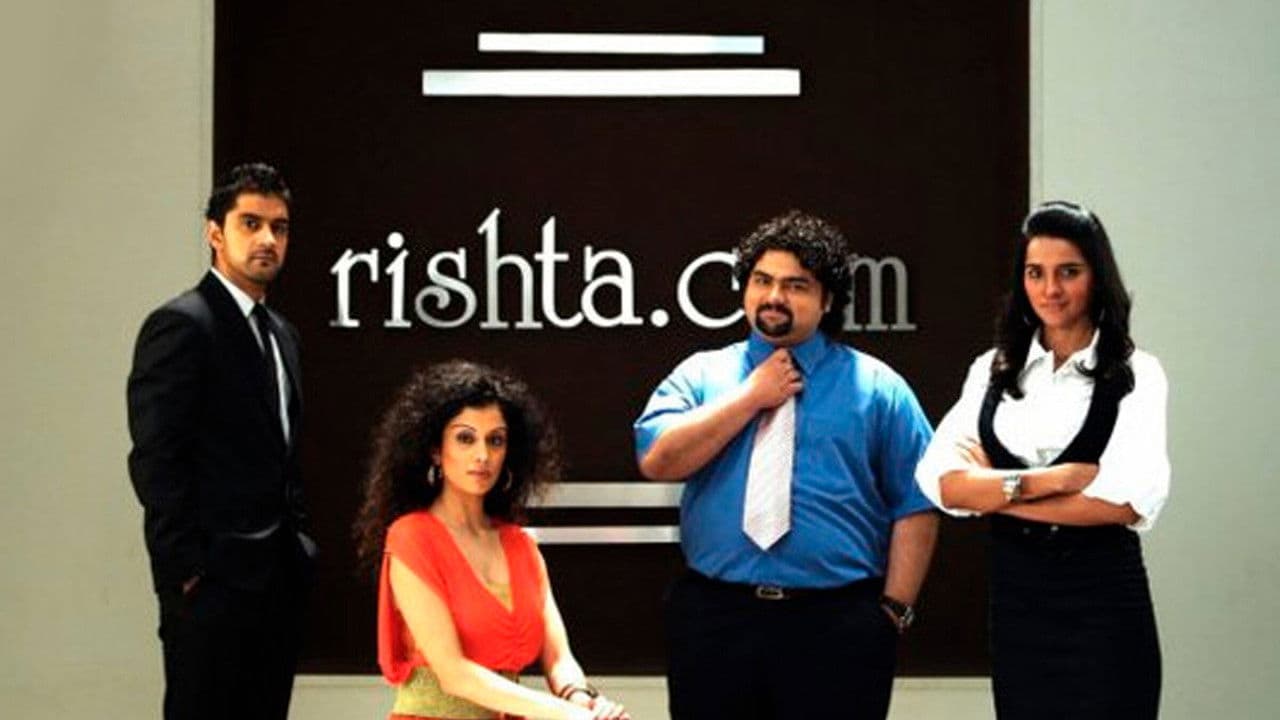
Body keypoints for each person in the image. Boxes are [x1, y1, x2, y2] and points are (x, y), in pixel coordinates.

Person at [634, 210, 939, 720]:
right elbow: (658, 459)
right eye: (762, 281)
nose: (774, 296)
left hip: (838, 625)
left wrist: (892, 611)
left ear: (827, 300)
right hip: (716, 619)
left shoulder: (878, 388)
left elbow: (917, 502)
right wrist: (750, 397)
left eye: (796, 285)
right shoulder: (702, 375)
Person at [914, 200, 1169, 718]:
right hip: (1018, 606)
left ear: (1097, 276)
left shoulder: (1136, 373)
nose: (1050, 289)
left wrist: (994, 492)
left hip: (1104, 608)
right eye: (1036, 273)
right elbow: (940, 482)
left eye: (1068, 272)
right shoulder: (992, 369)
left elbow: (1123, 502)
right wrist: (1050, 481)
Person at [127, 162, 316, 720]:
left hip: (277, 581)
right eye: (250, 223)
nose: (267, 239)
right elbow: (157, 456)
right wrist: (185, 571)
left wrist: (299, 549)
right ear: (215, 233)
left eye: (279, 227)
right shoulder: (183, 324)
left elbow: (280, 453)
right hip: (210, 584)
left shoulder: (282, 334)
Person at [353, 360, 629, 720]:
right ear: (435, 449)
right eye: (465, 438)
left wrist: (584, 701)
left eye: (495, 440)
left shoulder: (521, 545)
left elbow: (559, 659)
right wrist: (565, 714)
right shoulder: (411, 537)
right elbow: (454, 674)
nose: (482, 455)